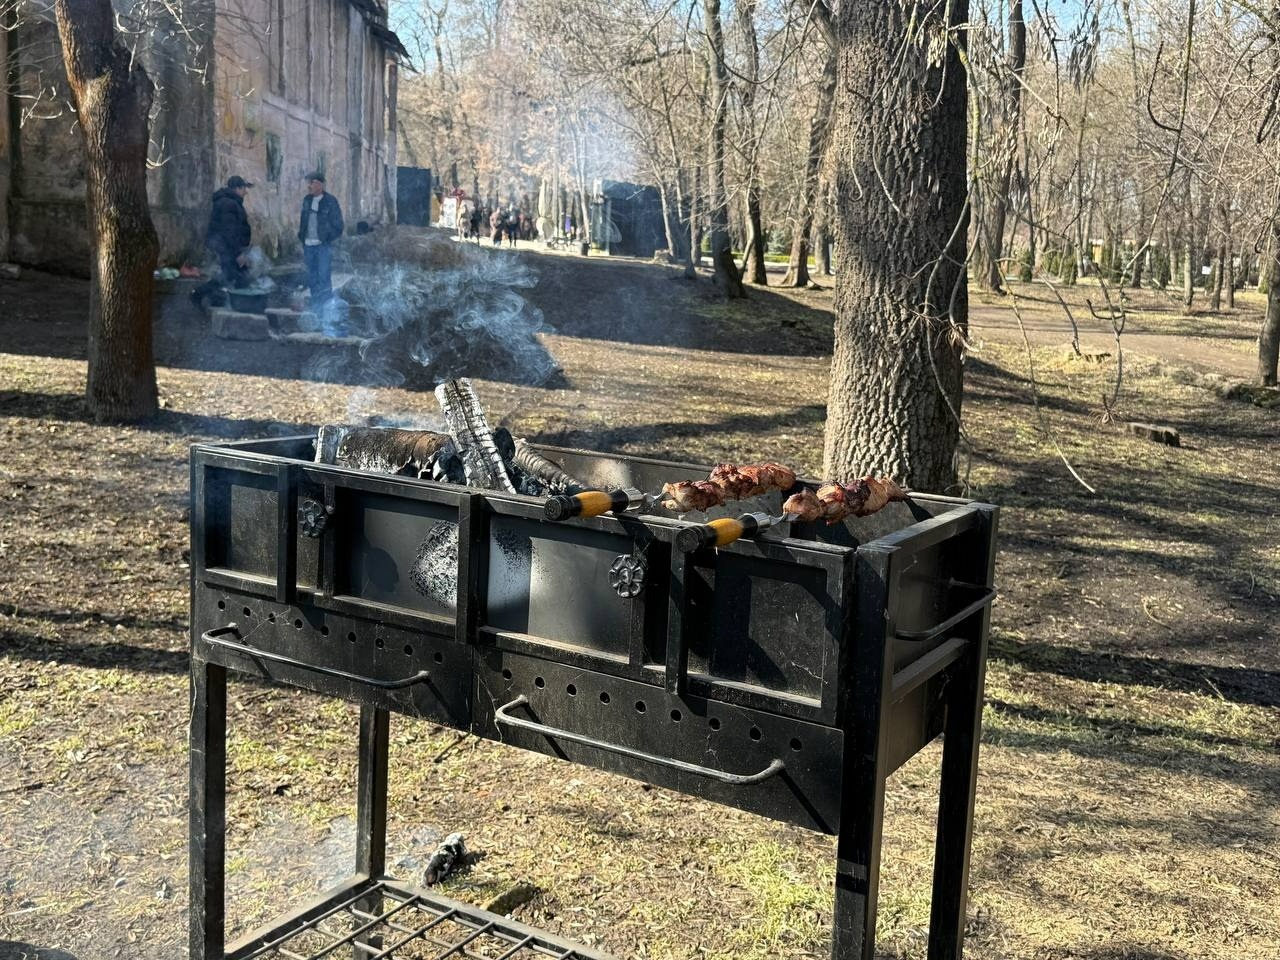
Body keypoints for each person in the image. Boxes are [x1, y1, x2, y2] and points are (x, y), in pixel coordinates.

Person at [193, 175, 253, 307]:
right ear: (237, 188)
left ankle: (222, 302)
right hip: (226, 247)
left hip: (225, 246)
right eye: (244, 188)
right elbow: (229, 231)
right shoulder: (229, 204)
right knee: (232, 275)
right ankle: (199, 294)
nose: (246, 192)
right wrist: (238, 253)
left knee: (233, 275)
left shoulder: (230, 202)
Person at [298, 172, 344, 306]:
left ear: (319, 184)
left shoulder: (330, 201)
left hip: (323, 246)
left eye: (311, 183)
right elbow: (303, 221)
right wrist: (302, 236)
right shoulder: (307, 200)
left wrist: (327, 238)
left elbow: (338, 225)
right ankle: (315, 306)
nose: (308, 186)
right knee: (312, 277)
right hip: (308, 245)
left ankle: (326, 307)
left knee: (324, 276)